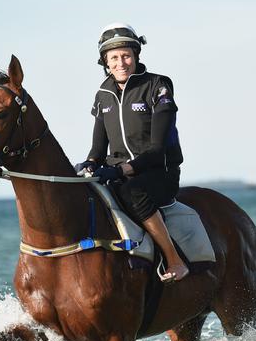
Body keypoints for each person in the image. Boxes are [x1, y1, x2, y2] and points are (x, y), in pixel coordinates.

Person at [75, 22, 189, 282]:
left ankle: (174, 260)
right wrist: (90, 164)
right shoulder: (103, 94)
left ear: (136, 56)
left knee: (130, 191)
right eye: (113, 58)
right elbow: (97, 149)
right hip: (118, 173)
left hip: (158, 173)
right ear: (105, 62)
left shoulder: (158, 86)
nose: (121, 63)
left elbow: (157, 151)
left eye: (126, 55)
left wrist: (119, 170)